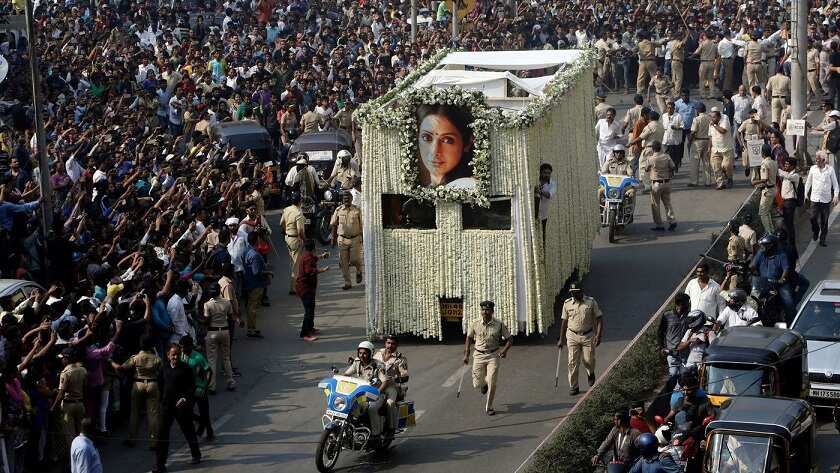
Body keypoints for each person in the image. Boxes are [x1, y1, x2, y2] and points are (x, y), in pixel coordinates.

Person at [155, 344, 201, 472]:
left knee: (188, 430)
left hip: (181, 406)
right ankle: (160, 464)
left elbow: (192, 386)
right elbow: (160, 385)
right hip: (166, 406)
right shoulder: (164, 368)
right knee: (162, 434)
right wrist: (160, 401)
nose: (175, 357)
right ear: (168, 355)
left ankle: (196, 454)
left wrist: (184, 398)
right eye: (173, 354)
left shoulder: (185, 368)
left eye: (177, 354)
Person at [463, 300, 512, 415]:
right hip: (478, 355)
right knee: (477, 384)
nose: (485, 312)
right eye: (483, 310)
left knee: (492, 381)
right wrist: (466, 354)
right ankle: (483, 384)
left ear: (492, 311)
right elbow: (469, 338)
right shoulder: (475, 323)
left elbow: (510, 339)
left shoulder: (499, 324)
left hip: (493, 355)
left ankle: (489, 406)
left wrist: (504, 351)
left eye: (487, 310)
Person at [112, 336, 161, 448]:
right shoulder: (156, 359)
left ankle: (132, 439)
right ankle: (154, 441)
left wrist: (111, 362)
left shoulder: (135, 358)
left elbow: (121, 368)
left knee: (134, 413)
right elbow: (161, 371)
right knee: (153, 414)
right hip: (152, 383)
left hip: (138, 384)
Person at [557, 283, 603, 396]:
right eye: (572, 292)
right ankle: (574, 386)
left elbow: (599, 319)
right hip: (572, 335)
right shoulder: (567, 303)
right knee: (572, 362)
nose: (573, 294)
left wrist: (598, 335)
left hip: (588, 336)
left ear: (581, 291)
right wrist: (561, 339)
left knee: (589, 360)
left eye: (576, 292)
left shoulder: (591, 302)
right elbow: (564, 322)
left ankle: (590, 373)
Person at [416, 104, 476, 188]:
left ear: (467, 143)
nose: (434, 151)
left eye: (447, 140)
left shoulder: (467, 186)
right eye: (426, 138)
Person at [344, 341, 387, 439]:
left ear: (371, 353)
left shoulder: (378, 365)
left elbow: (385, 381)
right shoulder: (357, 363)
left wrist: (377, 392)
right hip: (360, 394)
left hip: (375, 394)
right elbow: (346, 374)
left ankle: (376, 435)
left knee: (372, 409)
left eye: (365, 353)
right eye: (360, 353)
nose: (362, 355)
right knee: (348, 404)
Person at [751, 233, 796, 324]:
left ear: (771, 246)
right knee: (752, 301)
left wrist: (782, 279)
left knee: (788, 303)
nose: (762, 247)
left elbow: (786, 268)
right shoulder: (760, 253)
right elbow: (753, 265)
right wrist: (751, 271)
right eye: (762, 245)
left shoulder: (781, 255)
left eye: (765, 245)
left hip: (778, 284)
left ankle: (792, 322)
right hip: (763, 283)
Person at [203, 282, 237, 394]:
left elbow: (207, 321)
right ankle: (231, 381)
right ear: (219, 291)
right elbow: (231, 317)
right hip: (225, 331)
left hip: (212, 332)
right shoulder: (227, 302)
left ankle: (212, 386)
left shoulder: (207, 304)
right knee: (226, 358)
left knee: (212, 360)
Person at [373, 335, 409, 438]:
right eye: (388, 343)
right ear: (385, 343)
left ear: (397, 345)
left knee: (390, 403)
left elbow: (405, 375)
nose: (390, 345)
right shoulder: (378, 353)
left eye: (393, 344)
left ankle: (391, 428)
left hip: (390, 387)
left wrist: (397, 378)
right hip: (375, 384)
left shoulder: (400, 359)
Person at [179, 336, 213, 442]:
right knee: (185, 410)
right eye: (181, 347)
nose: (182, 349)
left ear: (190, 346)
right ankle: (201, 422)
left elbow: (209, 371)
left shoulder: (198, 357)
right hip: (189, 389)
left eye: (184, 347)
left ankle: (209, 432)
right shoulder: (181, 356)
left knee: (204, 412)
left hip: (199, 388)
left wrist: (205, 387)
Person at [295, 239, 330, 341]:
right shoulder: (308, 258)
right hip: (305, 289)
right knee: (309, 311)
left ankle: (310, 328)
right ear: (314, 248)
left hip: (309, 287)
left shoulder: (307, 255)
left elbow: (314, 258)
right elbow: (310, 271)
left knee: (311, 308)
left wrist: (322, 256)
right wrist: (323, 270)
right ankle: (305, 333)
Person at [804, 150, 840, 247]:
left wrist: (836, 196)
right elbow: (808, 183)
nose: (816, 162)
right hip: (814, 198)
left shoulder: (830, 170)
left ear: (824, 160)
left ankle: (822, 239)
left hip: (826, 199)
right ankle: (816, 230)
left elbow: (835, 184)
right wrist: (805, 194)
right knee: (812, 217)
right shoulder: (813, 169)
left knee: (824, 220)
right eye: (816, 160)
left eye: (818, 160)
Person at [330, 192, 363, 290]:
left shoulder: (357, 210)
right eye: (344, 199)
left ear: (351, 199)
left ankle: (359, 270)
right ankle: (347, 282)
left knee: (355, 260)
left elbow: (362, 225)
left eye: (348, 198)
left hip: (355, 239)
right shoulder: (338, 210)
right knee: (343, 263)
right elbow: (333, 224)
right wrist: (333, 238)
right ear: (342, 200)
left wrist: (362, 238)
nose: (346, 200)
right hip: (342, 239)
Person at [658, 293, 690, 391]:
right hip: (672, 353)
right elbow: (660, 332)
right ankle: (671, 394)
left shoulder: (689, 315)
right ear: (679, 304)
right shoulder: (667, 315)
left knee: (684, 376)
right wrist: (662, 347)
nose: (688, 305)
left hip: (685, 352)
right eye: (686, 303)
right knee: (673, 374)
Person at [242, 231, 271, 338]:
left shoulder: (247, 250)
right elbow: (256, 271)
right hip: (256, 284)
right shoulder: (254, 255)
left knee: (251, 306)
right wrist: (268, 272)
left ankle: (251, 328)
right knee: (252, 307)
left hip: (249, 282)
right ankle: (251, 329)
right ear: (256, 240)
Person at [646, 141, 677, 232]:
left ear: (653, 149)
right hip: (667, 182)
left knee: (655, 204)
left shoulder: (651, 158)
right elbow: (673, 167)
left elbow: (647, 169)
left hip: (656, 184)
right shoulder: (666, 156)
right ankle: (672, 221)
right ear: (660, 148)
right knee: (667, 203)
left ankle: (659, 224)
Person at [279, 192, 306, 294]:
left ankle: (293, 286)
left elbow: (281, 223)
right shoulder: (298, 213)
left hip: (288, 238)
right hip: (295, 239)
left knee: (293, 262)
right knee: (296, 265)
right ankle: (293, 288)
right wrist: (305, 240)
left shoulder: (287, 209)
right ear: (300, 201)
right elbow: (300, 231)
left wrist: (286, 230)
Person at [753, 144, 778, 234]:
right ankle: (771, 231)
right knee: (767, 212)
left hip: (768, 190)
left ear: (762, 153)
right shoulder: (774, 162)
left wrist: (755, 182)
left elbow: (765, 179)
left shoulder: (764, 163)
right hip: (773, 188)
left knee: (762, 213)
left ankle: (768, 232)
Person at [708, 107, 735, 189]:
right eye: (711, 116)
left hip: (726, 148)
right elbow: (710, 136)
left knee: (726, 166)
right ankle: (720, 183)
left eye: (714, 117)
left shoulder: (725, 119)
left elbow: (723, 131)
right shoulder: (711, 123)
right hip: (715, 149)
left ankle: (729, 178)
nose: (712, 119)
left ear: (719, 116)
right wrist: (709, 148)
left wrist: (714, 125)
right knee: (715, 167)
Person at [777, 157, 801, 246]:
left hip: (790, 202)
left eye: (787, 164)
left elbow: (787, 176)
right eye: (785, 164)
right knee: (786, 223)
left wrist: (777, 168)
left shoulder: (795, 176)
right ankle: (788, 242)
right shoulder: (786, 174)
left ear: (793, 166)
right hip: (785, 202)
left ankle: (792, 243)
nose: (785, 166)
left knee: (789, 224)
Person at [688, 103, 712, 187]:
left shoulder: (696, 119)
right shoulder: (709, 118)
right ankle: (707, 181)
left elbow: (693, 131)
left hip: (698, 141)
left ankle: (694, 181)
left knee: (695, 162)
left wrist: (689, 141)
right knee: (707, 162)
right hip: (708, 141)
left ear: (698, 110)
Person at [535, 163, 557, 244]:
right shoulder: (535, 180)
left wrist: (540, 192)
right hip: (533, 214)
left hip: (543, 215)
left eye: (549, 173)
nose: (547, 175)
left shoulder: (552, 184)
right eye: (545, 173)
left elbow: (549, 195)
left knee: (542, 236)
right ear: (540, 172)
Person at [661, 102, 685, 171]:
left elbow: (683, 127)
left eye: (671, 108)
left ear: (674, 108)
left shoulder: (678, 116)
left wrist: (677, 128)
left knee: (675, 157)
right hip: (666, 140)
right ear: (666, 108)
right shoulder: (664, 116)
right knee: (665, 156)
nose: (669, 109)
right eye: (668, 108)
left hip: (675, 141)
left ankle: (675, 167)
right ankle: (668, 170)